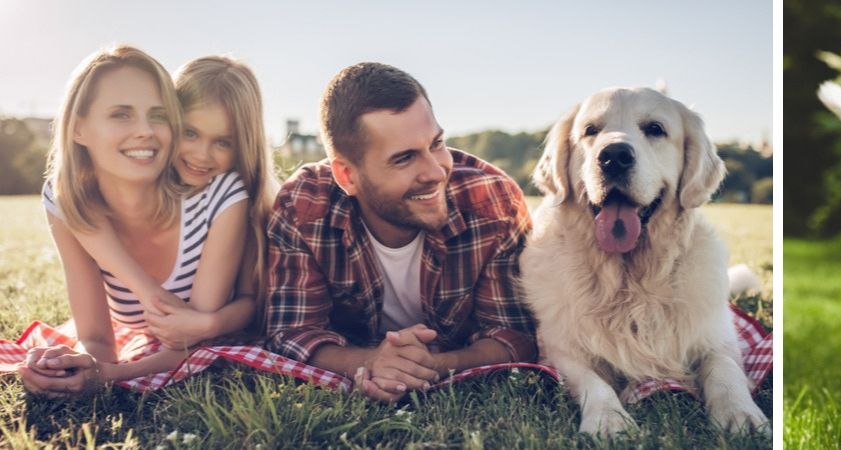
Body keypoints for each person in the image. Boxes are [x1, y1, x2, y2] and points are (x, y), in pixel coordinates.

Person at [264, 62, 536, 403]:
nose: (436, 172)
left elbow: (514, 334)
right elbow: (292, 331)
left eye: (437, 143)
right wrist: (369, 362)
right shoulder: (303, 205)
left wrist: (435, 365)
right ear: (347, 176)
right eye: (405, 158)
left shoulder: (492, 199)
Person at [18, 48, 273, 395]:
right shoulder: (68, 202)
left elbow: (187, 340)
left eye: (156, 115)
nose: (144, 132)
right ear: (78, 129)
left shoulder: (221, 195)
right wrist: (80, 366)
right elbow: (95, 338)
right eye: (121, 114)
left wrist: (108, 374)